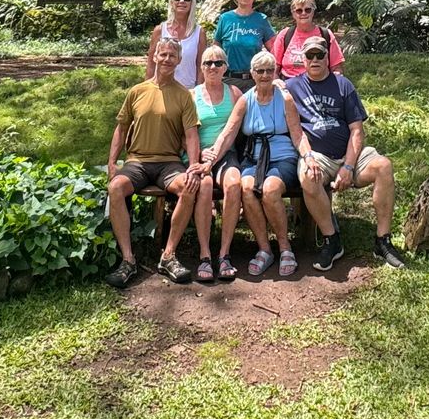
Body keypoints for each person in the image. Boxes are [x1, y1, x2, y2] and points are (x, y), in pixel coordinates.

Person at [285, 34, 406, 271]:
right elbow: (296, 131)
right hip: (317, 155)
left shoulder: (343, 85)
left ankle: (382, 240)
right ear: (303, 59)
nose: (315, 59)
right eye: (310, 55)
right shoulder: (292, 87)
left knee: (384, 166)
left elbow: (357, 130)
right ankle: (332, 239)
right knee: (308, 177)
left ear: (328, 57)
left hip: (350, 155)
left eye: (320, 54)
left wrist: (348, 167)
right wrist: (308, 157)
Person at [104, 37, 206, 287]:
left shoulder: (184, 95)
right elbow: (121, 128)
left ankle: (168, 255)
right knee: (116, 188)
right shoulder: (137, 91)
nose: (167, 59)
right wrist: (112, 162)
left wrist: (193, 165)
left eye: (173, 55)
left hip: (169, 164)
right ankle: (128, 260)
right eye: (163, 54)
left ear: (179, 60)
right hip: (137, 162)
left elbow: (191, 134)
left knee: (189, 187)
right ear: (155, 57)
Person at [204, 46, 307, 277]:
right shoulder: (245, 100)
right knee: (246, 187)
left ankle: (285, 247)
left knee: (270, 189)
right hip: (254, 157)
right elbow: (228, 133)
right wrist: (211, 157)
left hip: (282, 156)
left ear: (275, 72)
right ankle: (264, 248)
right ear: (252, 73)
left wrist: (308, 156)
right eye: (260, 70)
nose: (264, 75)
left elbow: (297, 133)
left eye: (269, 70)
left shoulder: (285, 98)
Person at [188, 45, 245, 282]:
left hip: (225, 154)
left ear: (226, 68)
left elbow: (233, 131)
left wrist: (215, 156)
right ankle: (204, 254)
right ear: (201, 68)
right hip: (197, 155)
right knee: (204, 186)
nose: (213, 67)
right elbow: (185, 133)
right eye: (208, 63)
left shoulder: (234, 94)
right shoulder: (191, 96)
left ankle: (224, 254)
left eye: (218, 63)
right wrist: (200, 156)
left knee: (233, 184)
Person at [214, 0, 272, 87]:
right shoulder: (225, 19)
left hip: (254, 82)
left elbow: (275, 49)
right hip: (228, 81)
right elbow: (216, 51)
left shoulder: (261, 19)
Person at [268, 0, 344, 79]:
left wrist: (336, 81)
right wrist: (278, 84)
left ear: (313, 11)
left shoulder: (325, 35)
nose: (303, 13)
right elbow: (273, 68)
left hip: (318, 85)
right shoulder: (285, 35)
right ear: (293, 14)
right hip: (289, 86)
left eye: (307, 10)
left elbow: (336, 67)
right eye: (299, 11)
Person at [145, 0, 204, 88]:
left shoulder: (199, 32)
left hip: (189, 91)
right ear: (172, 2)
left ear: (192, 3)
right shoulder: (159, 30)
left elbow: (201, 66)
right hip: (162, 89)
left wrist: (199, 93)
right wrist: (147, 90)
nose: (182, 1)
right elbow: (151, 65)